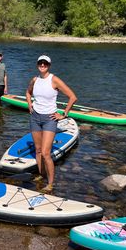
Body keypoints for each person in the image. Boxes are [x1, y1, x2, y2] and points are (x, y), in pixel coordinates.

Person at [26, 54, 77, 193]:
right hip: (35, 117)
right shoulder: (35, 79)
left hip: (50, 119)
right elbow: (28, 92)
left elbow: (73, 97)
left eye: (45, 64)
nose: (42, 65)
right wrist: (30, 105)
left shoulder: (54, 80)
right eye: (40, 63)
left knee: (46, 153)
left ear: (49, 65)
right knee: (38, 150)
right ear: (37, 64)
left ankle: (50, 183)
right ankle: (41, 175)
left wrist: (64, 114)